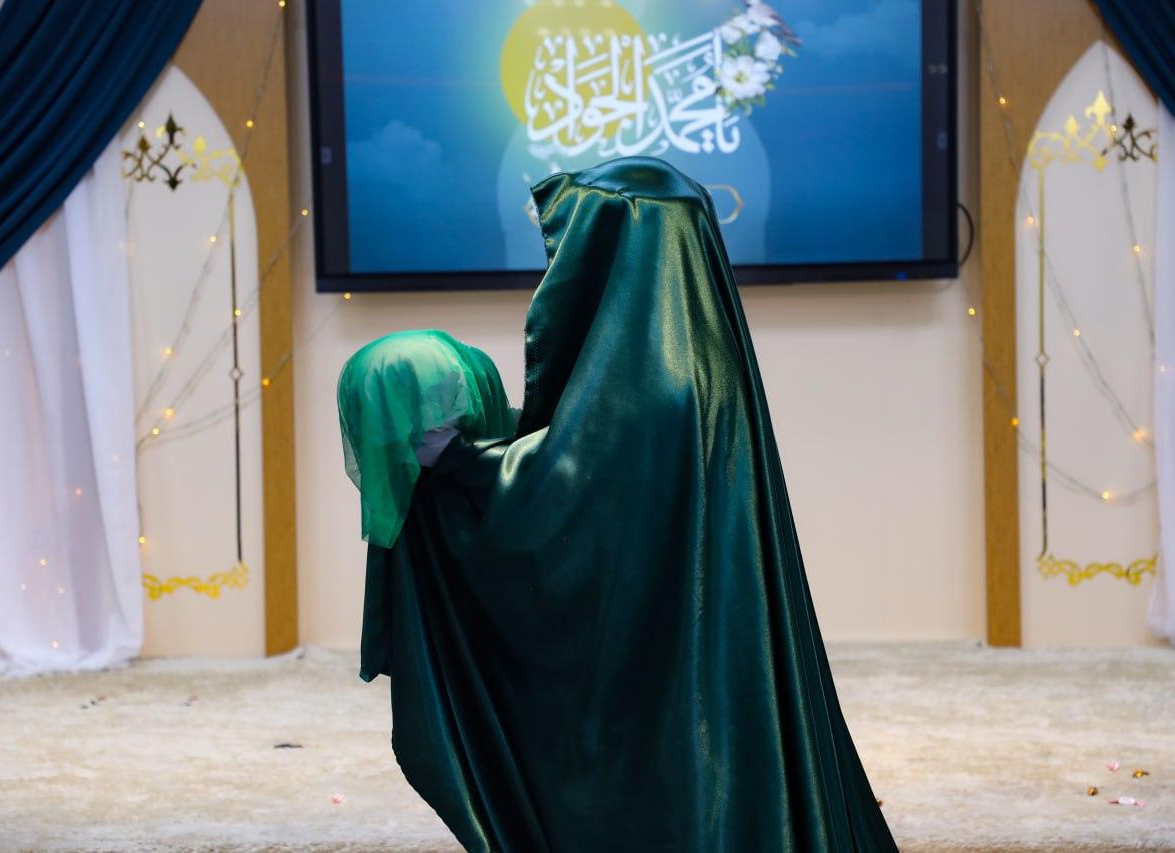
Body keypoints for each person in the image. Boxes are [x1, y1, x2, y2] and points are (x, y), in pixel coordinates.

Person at [338, 157, 897, 851]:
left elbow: (568, 488)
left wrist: (459, 462)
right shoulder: (694, 354)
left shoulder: (657, 374)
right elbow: (586, 458)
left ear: (620, 246)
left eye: (578, 243)